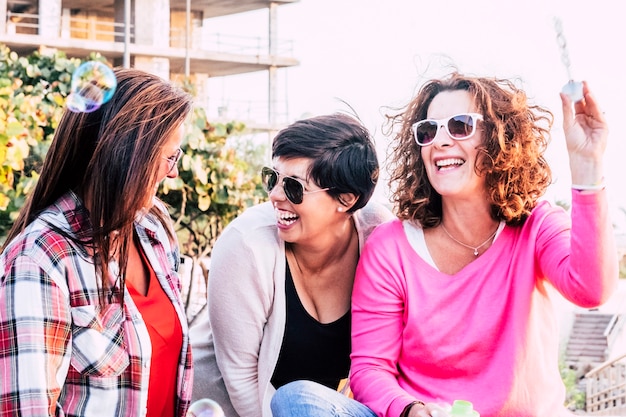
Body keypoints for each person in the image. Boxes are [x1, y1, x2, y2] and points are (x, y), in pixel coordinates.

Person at [270, 72, 618, 417]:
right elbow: (369, 369)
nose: (440, 140)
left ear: (500, 138)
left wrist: (587, 167)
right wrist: (411, 409)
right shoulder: (390, 248)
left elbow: (591, 289)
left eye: (460, 126)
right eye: (428, 131)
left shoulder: (537, 225)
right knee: (297, 398)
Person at [0, 68, 194, 416]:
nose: (173, 172)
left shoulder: (153, 231)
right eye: (170, 157)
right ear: (128, 154)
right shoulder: (40, 260)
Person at [189, 113, 394, 417]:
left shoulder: (379, 236)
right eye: (272, 178)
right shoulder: (246, 244)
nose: (274, 195)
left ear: (346, 200)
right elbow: (243, 378)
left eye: (294, 187)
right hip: (227, 405)